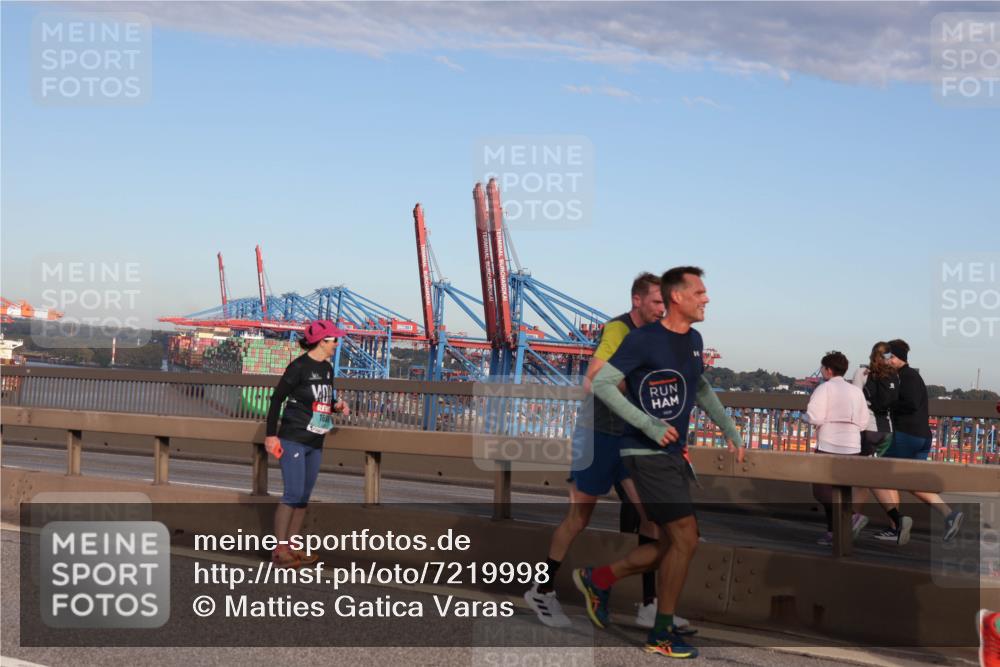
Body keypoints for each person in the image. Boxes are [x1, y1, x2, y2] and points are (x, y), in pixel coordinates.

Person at [573, 267, 744, 659]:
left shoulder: (695, 340)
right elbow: (600, 384)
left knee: (670, 543)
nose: (707, 298)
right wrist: (648, 424)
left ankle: (598, 579)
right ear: (677, 297)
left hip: (672, 454)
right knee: (686, 538)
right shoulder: (643, 340)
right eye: (700, 292)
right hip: (644, 452)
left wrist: (731, 431)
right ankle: (660, 633)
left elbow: (700, 387)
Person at [525, 273, 693, 632]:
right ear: (637, 301)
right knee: (578, 518)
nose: (663, 309)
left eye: (665, 303)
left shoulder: (657, 334)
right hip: (598, 435)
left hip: (630, 439)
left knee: (652, 517)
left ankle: (649, 605)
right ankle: (542, 589)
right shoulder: (617, 330)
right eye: (656, 303)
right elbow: (593, 379)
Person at [264, 320, 351, 567]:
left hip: (316, 439)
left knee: (303, 496)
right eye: (335, 339)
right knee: (291, 493)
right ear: (322, 341)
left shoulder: (327, 368)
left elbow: (327, 398)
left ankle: (292, 546)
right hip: (293, 438)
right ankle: (279, 551)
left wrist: (337, 405)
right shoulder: (298, 367)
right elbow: (276, 400)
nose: (337, 343)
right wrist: (271, 435)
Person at [878, 339, 964, 543]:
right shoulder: (909, 376)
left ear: (898, 358)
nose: (886, 361)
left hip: (907, 435)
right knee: (912, 483)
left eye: (889, 357)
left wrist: (887, 405)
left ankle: (896, 526)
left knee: (879, 474)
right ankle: (949, 515)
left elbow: (911, 404)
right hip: (920, 436)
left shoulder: (907, 377)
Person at [850, 342, 913, 545]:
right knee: (864, 477)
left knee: (868, 477)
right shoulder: (894, 375)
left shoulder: (863, 372)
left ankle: (896, 518)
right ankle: (851, 520)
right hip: (888, 432)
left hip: (868, 430)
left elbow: (855, 401)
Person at [806, 351, 870, 547]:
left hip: (829, 443)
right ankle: (834, 533)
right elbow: (864, 422)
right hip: (852, 445)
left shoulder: (824, 389)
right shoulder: (855, 391)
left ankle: (852, 517)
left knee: (820, 490)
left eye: (823, 368)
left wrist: (807, 419)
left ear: (828, 370)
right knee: (842, 490)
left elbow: (815, 417)